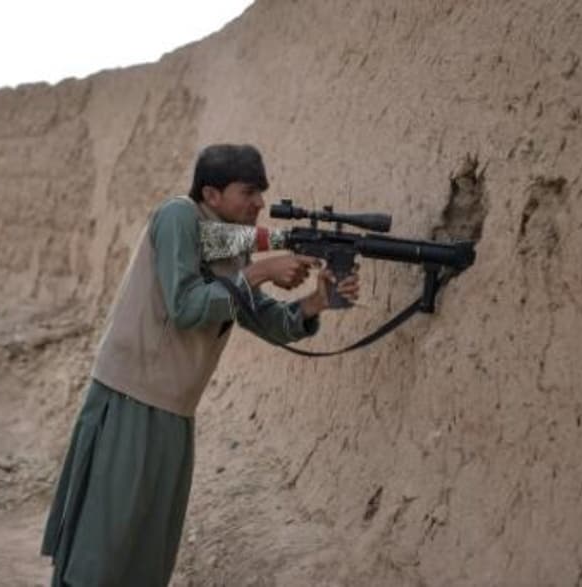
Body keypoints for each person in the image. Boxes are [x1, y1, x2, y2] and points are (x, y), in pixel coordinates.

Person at [41, 144, 361, 586]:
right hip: (132, 398)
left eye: (261, 192)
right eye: (248, 191)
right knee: (103, 550)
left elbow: (262, 318)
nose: (259, 203)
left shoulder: (229, 245)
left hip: (173, 411)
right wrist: (261, 272)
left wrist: (313, 303)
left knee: (146, 554)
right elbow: (185, 306)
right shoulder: (179, 216)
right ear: (211, 193)